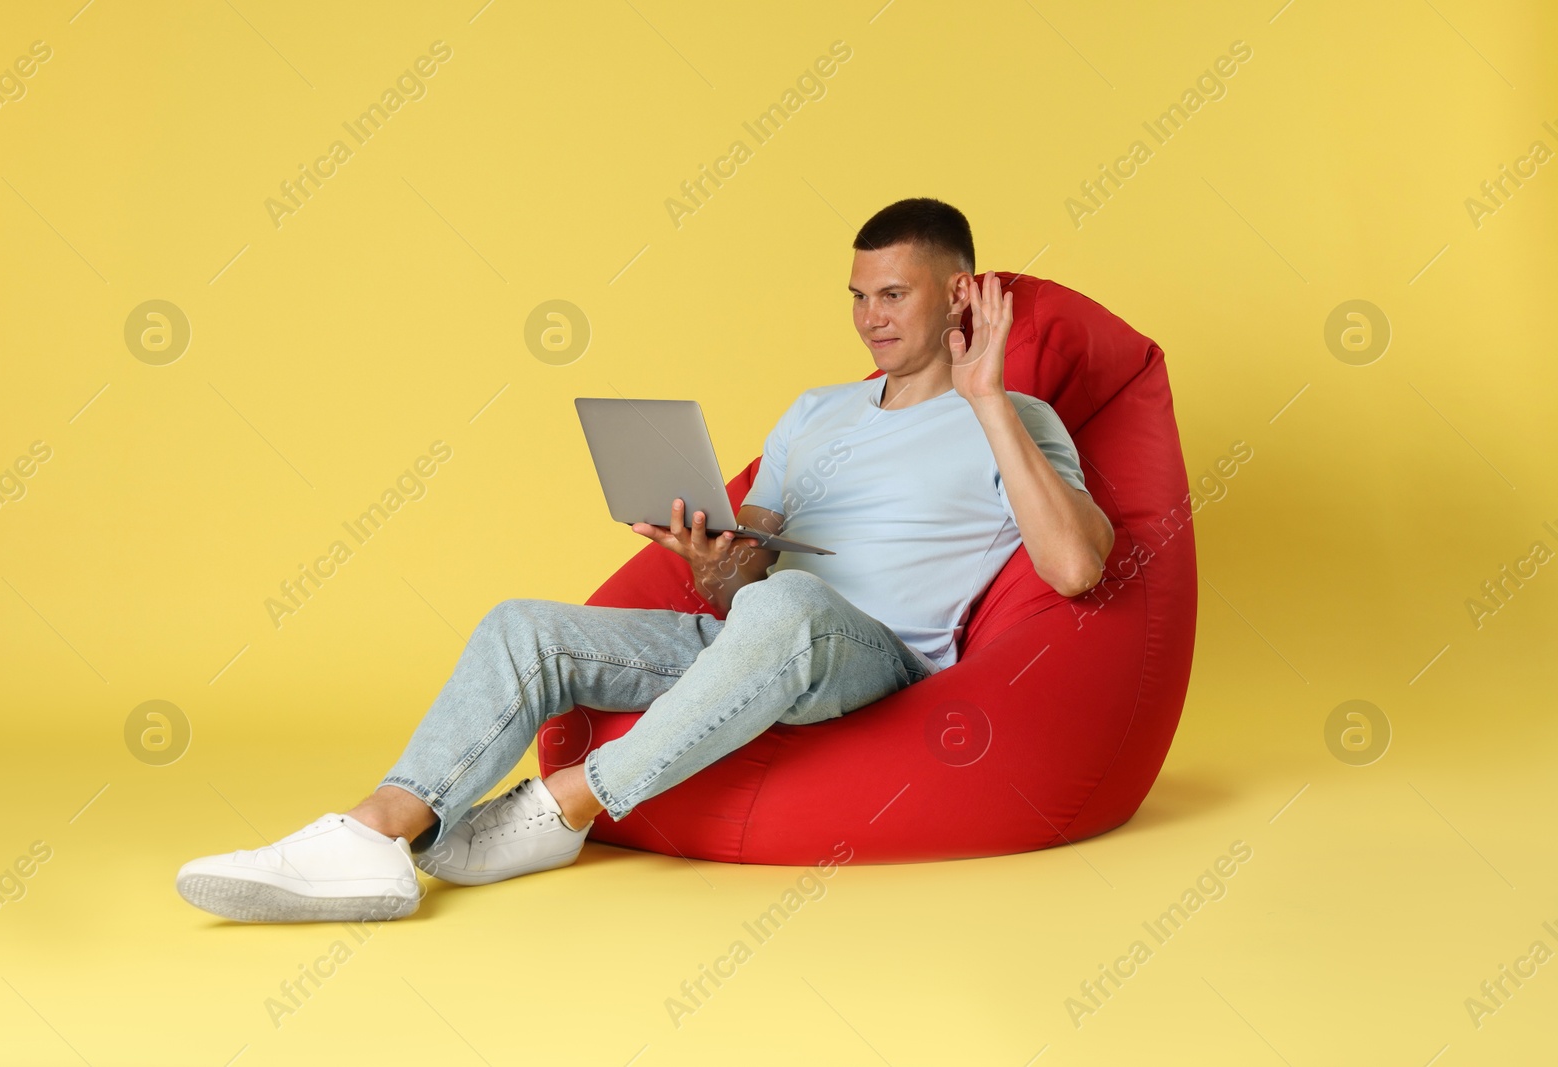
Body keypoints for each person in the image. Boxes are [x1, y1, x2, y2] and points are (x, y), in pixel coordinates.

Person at [175, 197, 1115, 923]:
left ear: (960, 294)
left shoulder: (1018, 421)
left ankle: (565, 807)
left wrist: (987, 397)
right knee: (523, 627)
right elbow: (748, 576)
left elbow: (1077, 567)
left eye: (894, 295)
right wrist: (712, 561)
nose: (870, 318)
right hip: (751, 635)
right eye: (859, 297)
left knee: (788, 613)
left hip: (875, 661)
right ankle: (377, 832)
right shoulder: (814, 411)